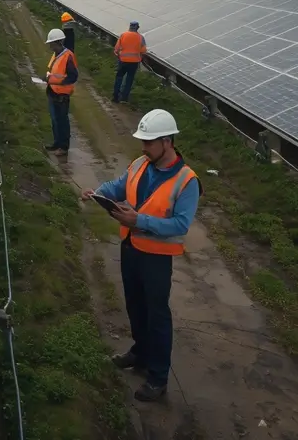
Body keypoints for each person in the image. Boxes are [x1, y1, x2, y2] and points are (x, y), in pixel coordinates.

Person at [79, 109, 201, 402]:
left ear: (167, 142)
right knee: (135, 305)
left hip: (156, 259)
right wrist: (98, 192)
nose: (143, 147)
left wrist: (140, 221)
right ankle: (141, 352)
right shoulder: (140, 164)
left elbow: (181, 225)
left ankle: (158, 377)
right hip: (131, 248)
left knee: (157, 315)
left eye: (149, 142)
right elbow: (119, 186)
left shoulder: (187, 181)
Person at [43, 28, 76, 155]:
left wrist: (59, 82)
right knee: (54, 120)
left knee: (62, 120)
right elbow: (54, 72)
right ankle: (56, 143)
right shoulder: (56, 55)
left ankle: (64, 147)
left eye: (51, 44)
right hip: (52, 92)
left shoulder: (68, 57)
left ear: (58, 42)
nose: (50, 46)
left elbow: (73, 76)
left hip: (62, 95)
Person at [112, 21, 146, 103]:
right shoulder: (141, 37)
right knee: (129, 79)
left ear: (130, 27)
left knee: (119, 77)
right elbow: (143, 51)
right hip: (134, 62)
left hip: (123, 61)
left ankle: (115, 97)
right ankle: (124, 98)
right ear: (137, 28)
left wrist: (118, 55)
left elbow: (116, 49)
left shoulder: (123, 35)